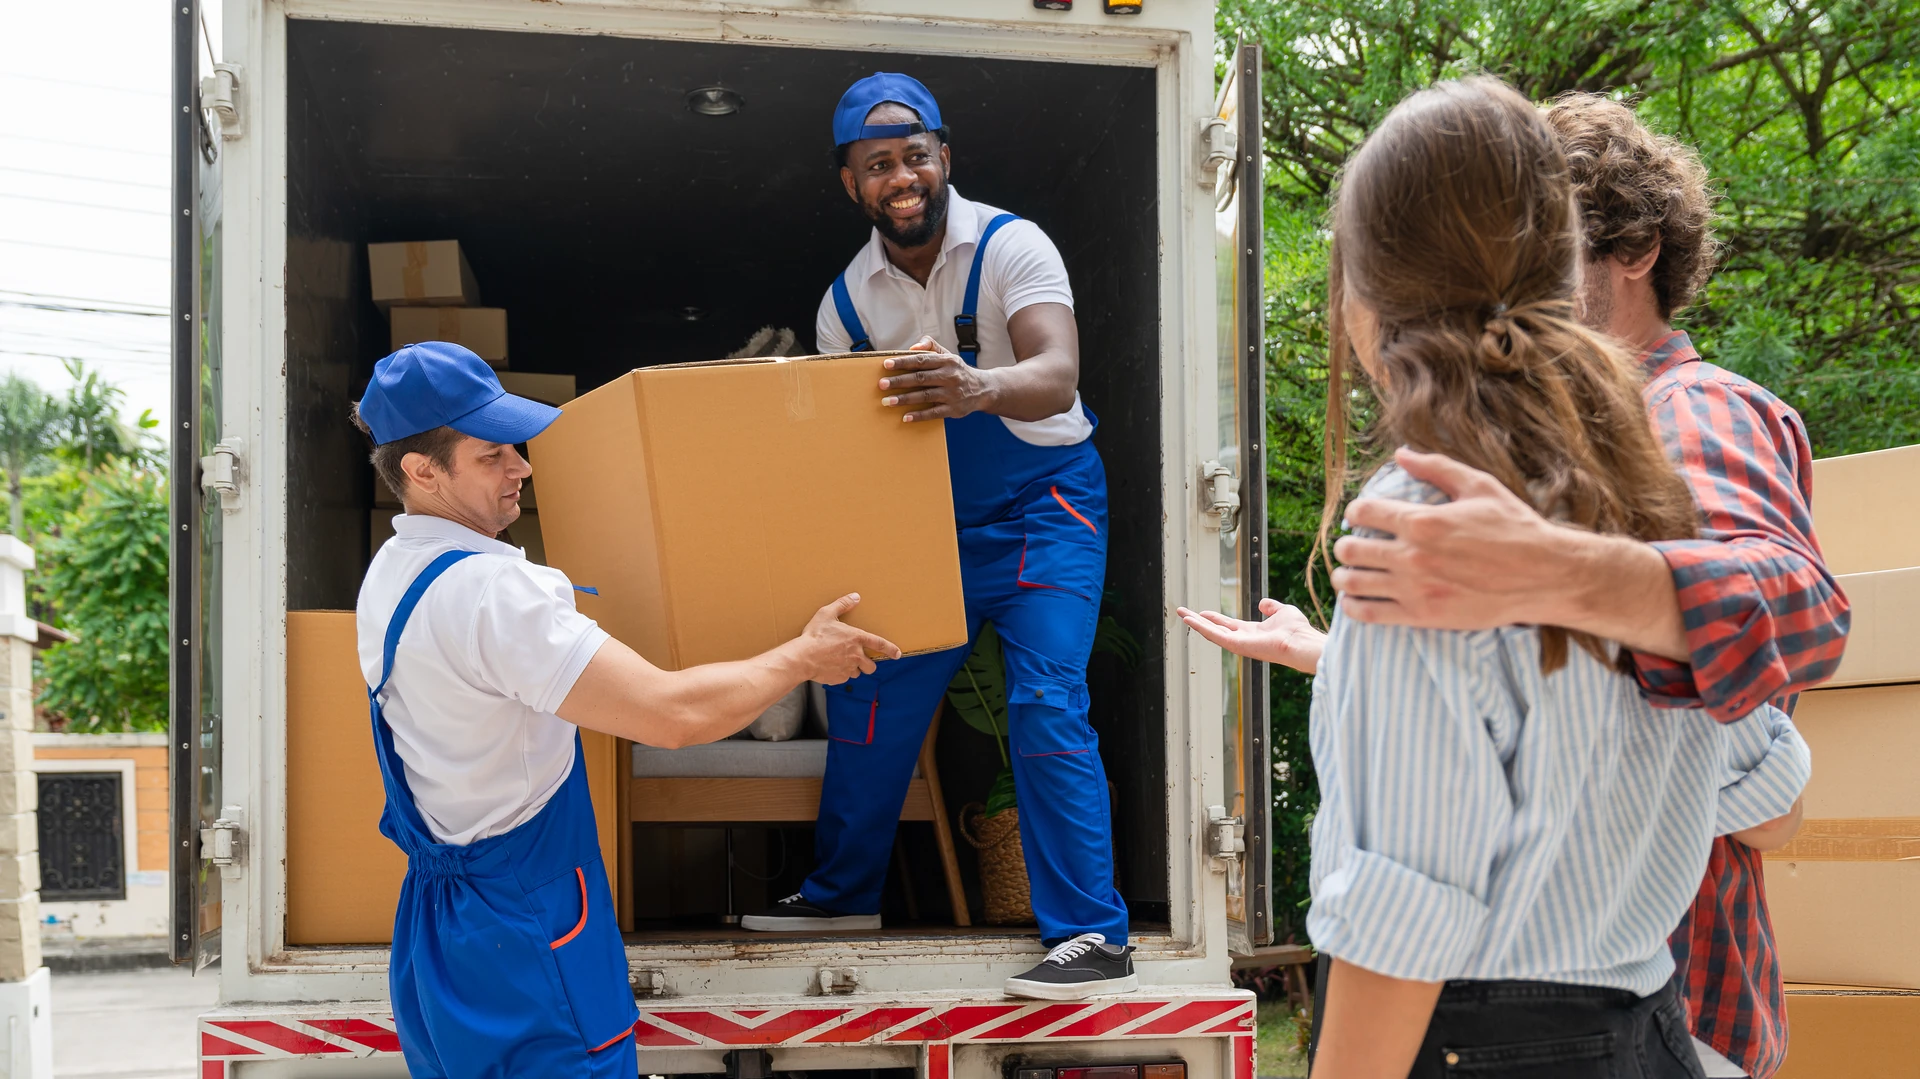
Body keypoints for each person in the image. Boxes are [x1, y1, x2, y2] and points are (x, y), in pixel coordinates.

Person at [1179, 91, 1844, 1079]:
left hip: (1483, 1045)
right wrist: (1354, 662)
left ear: (1369, 290)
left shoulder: (1434, 516)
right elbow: (1769, 778)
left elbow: (1400, 913)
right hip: (1651, 1032)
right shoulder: (1642, 478)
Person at [350, 341, 901, 1079]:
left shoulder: (391, 575)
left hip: (441, 932)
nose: (522, 467)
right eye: (492, 455)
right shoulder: (494, 594)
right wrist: (804, 657)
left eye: (516, 445)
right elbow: (671, 716)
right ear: (422, 471)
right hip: (528, 933)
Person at [737, 72, 1134, 1002]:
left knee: (1044, 701)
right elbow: (852, 446)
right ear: (852, 184)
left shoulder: (1010, 245)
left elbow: (1059, 374)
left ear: (944, 158)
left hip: (1048, 508)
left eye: (916, 155)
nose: (902, 175)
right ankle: (842, 897)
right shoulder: (846, 304)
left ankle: (1090, 935)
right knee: (868, 690)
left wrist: (979, 387)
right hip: (930, 525)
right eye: (879, 164)